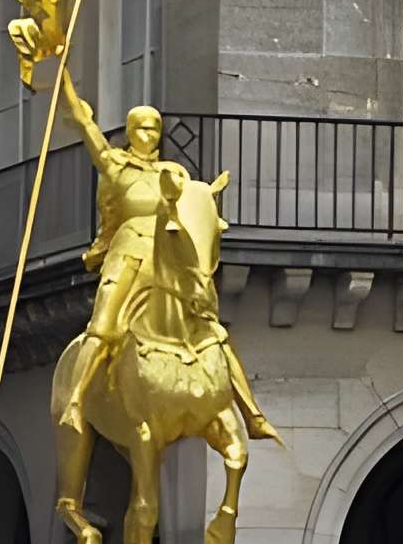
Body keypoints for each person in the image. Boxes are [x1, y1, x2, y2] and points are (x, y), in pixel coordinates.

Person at [55, 64, 279, 444]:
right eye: (142, 128)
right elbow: (86, 126)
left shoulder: (173, 172)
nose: (149, 135)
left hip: (167, 256)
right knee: (105, 323)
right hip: (128, 254)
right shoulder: (115, 167)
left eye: (154, 129)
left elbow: (191, 207)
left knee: (211, 328)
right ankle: (75, 400)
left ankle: (251, 414)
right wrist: (64, 81)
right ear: (130, 132)